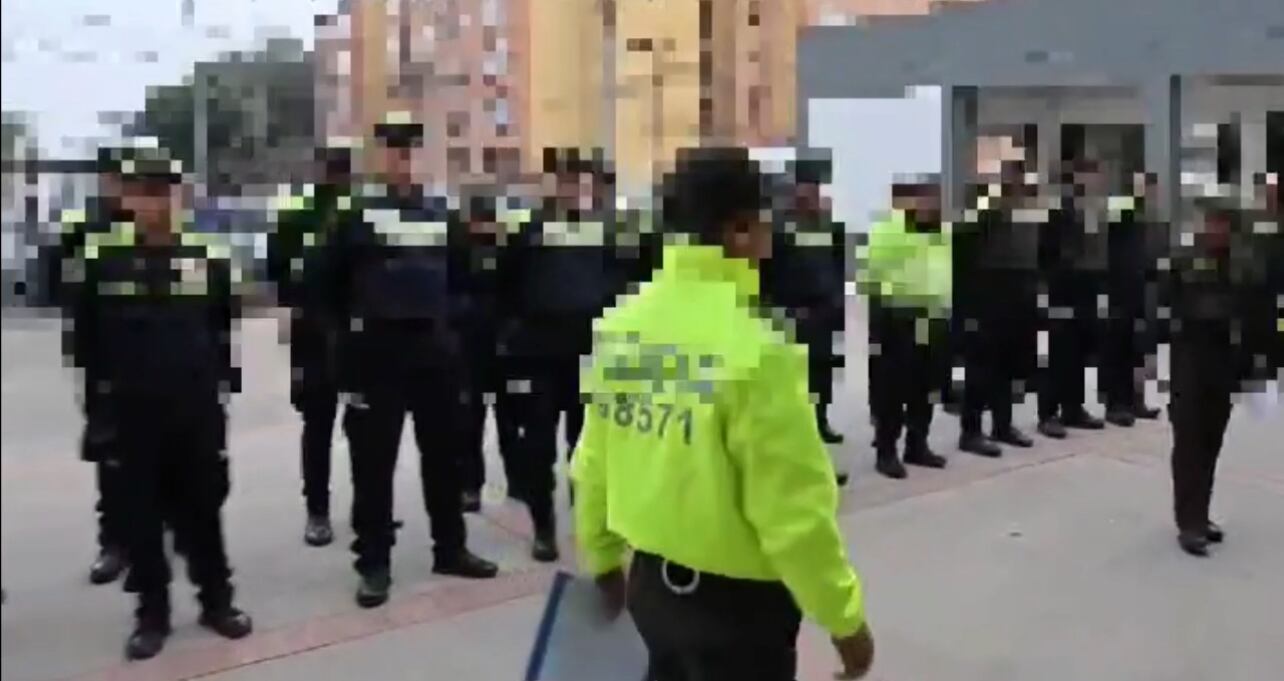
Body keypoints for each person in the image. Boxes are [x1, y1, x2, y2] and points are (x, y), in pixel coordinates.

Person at [571, 147, 875, 681]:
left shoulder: (622, 324)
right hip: (738, 615)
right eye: (765, 221)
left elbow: (592, 460)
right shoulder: (756, 352)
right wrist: (845, 621)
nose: (770, 235)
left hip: (648, 593)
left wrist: (600, 559)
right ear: (739, 231)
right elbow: (792, 516)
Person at [65, 144, 252, 659]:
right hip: (130, 412)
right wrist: (99, 412)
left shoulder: (208, 254)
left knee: (203, 513)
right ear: (126, 197)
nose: (157, 202)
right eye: (144, 192)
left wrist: (221, 395)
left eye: (165, 191)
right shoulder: (99, 258)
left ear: (180, 195)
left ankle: (218, 602)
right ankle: (152, 614)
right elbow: (83, 343)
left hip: (194, 409)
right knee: (140, 520)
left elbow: (222, 327)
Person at [315, 114, 498, 608]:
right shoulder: (354, 215)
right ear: (379, 157)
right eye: (395, 150)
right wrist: (349, 338)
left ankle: (450, 548)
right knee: (373, 466)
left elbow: (466, 280)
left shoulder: (442, 215)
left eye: (413, 150)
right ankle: (374, 563)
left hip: (434, 355)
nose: (404, 160)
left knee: (445, 457)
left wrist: (450, 327)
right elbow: (321, 287)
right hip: (375, 357)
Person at [498, 148, 619, 562]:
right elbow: (503, 285)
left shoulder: (599, 230)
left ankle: (587, 524)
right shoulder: (526, 231)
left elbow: (617, 285)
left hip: (586, 353)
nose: (570, 188)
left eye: (576, 180)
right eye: (562, 179)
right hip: (537, 353)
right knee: (538, 447)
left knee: (584, 447)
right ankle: (544, 529)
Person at [267, 141, 354, 547]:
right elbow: (278, 277)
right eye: (331, 167)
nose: (336, 174)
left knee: (365, 427)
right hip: (314, 334)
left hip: (358, 336)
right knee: (318, 425)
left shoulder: (364, 213)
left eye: (342, 168)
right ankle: (317, 511)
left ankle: (366, 508)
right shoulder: (296, 215)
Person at [47, 161, 130, 585]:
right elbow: (58, 287)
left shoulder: (158, 229)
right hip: (102, 360)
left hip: (155, 362)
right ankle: (112, 543)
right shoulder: (82, 228)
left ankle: (152, 531)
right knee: (111, 453)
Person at [862, 179, 952, 479]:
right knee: (892, 389)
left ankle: (918, 444)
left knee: (925, 387)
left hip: (933, 317)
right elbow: (872, 276)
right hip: (896, 317)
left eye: (934, 199)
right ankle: (886, 452)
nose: (930, 205)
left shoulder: (941, 234)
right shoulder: (889, 230)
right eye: (923, 199)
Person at [762, 155, 847, 447]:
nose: (809, 194)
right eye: (804, 187)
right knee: (797, 377)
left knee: (822, 373)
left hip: (824, 310)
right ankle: (799, 428)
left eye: (814, 188)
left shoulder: (827, 224)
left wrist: (838, 303)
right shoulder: (779, 225)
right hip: (794, 313)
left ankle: (820, 421)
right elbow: (768, 270)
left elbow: (838, 262)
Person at [954, 162, 1039, 457]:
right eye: (1010, 177)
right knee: (981, 369)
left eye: (1020, 177)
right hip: (988, 297)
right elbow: (962, 262)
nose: (1016, 183)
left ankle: (1003, 425)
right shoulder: (983, 213)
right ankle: (971, 431)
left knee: (1009, 367)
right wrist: (967, 310)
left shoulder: (1027, 212)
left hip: (1019, 298)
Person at [450, 187, 521, 513]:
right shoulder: (457, 249)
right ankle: (469, 486)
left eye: (489, 222)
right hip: (469, 350)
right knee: (468, 423)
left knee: (512, 421)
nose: (484, 228)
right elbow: (447, 294)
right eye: (479, 221)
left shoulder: (509, 251)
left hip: (506, 350)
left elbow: (520, 292)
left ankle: (519, 481)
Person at [1036, 159, 1107, 439]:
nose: (1094, 181)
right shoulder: (1058, 208)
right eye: (1089, 174)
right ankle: (1048, 413)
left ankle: (1073, 408)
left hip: (1086, 288)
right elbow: (1046, 250)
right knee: (1060, 352)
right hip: (1063, 288)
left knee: (1079, 351)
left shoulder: (1092, 209)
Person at [1102, 172, 1163, 425]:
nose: (1150, 195)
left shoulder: (1148, 220)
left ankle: (1135, 400)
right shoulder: (1121, 213)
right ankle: (1116, 404)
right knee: (1117, 350)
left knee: (1137, 351)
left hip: (1141, 291)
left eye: (1152, 190)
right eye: (1144, 189)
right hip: (1119, 290)